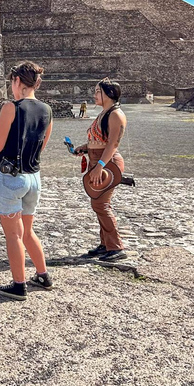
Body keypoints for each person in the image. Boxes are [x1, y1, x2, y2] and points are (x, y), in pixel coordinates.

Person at [0, 61, 54, 301]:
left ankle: (19, 284)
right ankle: (43, 275)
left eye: (11, 83)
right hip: (33, 177)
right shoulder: (47, 110)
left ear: (17, 81)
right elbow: (42, 146)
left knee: (14, 235)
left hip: (10, 177)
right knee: (28, 231)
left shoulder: (10, 107)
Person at [76, 78, 128, 261]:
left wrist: (100, 166)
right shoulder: (105, 113)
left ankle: (116, 246)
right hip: (97, 160)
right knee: (98, 203)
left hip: (107, 163)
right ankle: (105, 243)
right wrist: (84, 148)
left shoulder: (115, 114)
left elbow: (113, 143)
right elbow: (100, 140)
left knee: (101, 204)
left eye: (98, 91)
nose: (95, 95)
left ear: (109, 94)